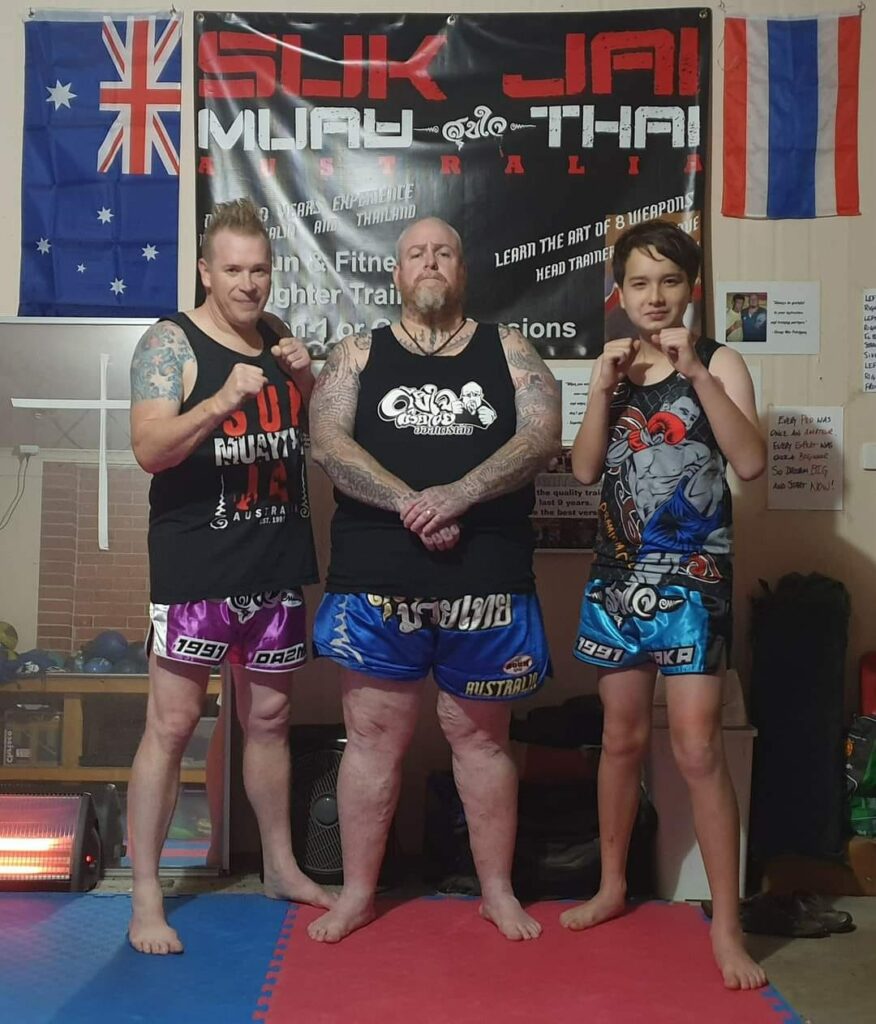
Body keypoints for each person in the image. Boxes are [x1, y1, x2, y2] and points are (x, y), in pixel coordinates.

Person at [306, 216, 561, 943]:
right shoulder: (357, 353)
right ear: (396, 273)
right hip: (376, 574)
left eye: (443, 252)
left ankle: (497, 892)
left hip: (487, 572)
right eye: (415, 253)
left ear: (462, 270)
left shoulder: (509, 348)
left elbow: (542, 435)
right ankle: (358, 893)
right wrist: (412, 504)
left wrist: (460, 494)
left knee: (480, 739)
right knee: (372, 738)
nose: (430, 262)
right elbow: (327, 442)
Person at [127, 198, 333, 954]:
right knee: (174, 724)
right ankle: (146, 895)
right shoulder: (169, 343)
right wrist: (218, 401)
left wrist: (307, 382)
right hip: (197, 567)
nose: (249, 284)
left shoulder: (276, 336)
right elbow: (150, 450)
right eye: (234, 270)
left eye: (261, 270)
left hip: (274, 561)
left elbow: (318, 433)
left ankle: (279, 866)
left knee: (270, 720)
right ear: (205, 272)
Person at [567, 219, 768, 990]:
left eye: (670, 281)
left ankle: (727, 924)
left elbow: (749, 461)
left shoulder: (719, 360)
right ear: (620, 291)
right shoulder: (615, 367)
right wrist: (598, 389)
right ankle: (613, 885)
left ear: (692, 287)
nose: (655, 297)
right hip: (616, 577)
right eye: (640, 283)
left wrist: (697, 374)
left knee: (696, 748)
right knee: (619, 739)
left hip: (694, 580)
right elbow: (586, 471)